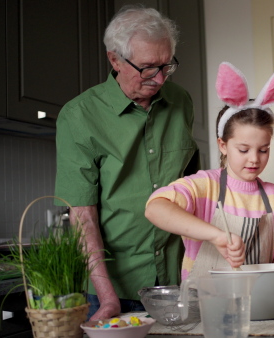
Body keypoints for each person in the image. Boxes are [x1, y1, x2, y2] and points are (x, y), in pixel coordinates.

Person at [54, 6, 200, 320]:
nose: (159, 78)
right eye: (148, 68)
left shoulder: (181, 102)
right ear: (115, 60)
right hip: (116, 290)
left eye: (167, 66)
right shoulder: (79, 116)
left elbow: (193, 187)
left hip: (178, 282)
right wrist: (108, 300)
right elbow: (83, 215)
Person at [145, 62, 274, 280]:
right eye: (243, 149)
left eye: (263, 150)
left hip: (259, 305)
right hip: (204, 305)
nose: (254, 159)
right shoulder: (205, 186)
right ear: (223, 145)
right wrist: (217, 236)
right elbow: (155, 208)